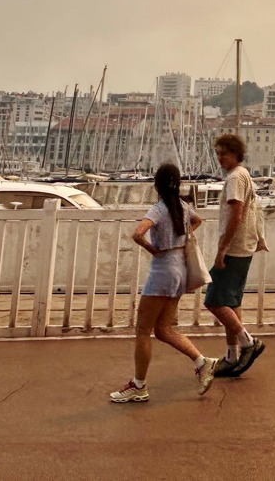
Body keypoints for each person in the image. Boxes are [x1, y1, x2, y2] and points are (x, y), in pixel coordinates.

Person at [110, 163, 218, 403]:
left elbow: (137, 233)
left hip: (163, 271)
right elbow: (198, 220)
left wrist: (153, 249)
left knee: (142, 330)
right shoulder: (183, 206)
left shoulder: (159, 209)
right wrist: (188, 234)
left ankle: (138, 385)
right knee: (163, 329)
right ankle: (202, 362)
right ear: (177, 183)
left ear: (157, 185)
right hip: (180, 269)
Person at [206, 132, 266, 377]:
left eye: (224, 153)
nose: (220, 157)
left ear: (236, 154)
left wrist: (222, 249)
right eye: (218, 153)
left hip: (235, 248)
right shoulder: (243, 175)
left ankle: (248, 343)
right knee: (231, 303)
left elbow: (236, 215)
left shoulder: (234, 178)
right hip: (244, 246)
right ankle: (231, 356)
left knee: (213, 300)